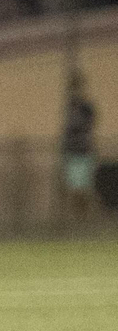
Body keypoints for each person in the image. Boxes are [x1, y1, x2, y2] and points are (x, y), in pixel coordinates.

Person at [62, 70, 99, 221]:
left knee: (83, 188)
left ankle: (86, 218)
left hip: (83, 151)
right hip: (72, 152)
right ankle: (78, 218)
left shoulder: (86, 107)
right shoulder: (69, 106)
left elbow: (87, 125)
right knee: (74, 188)